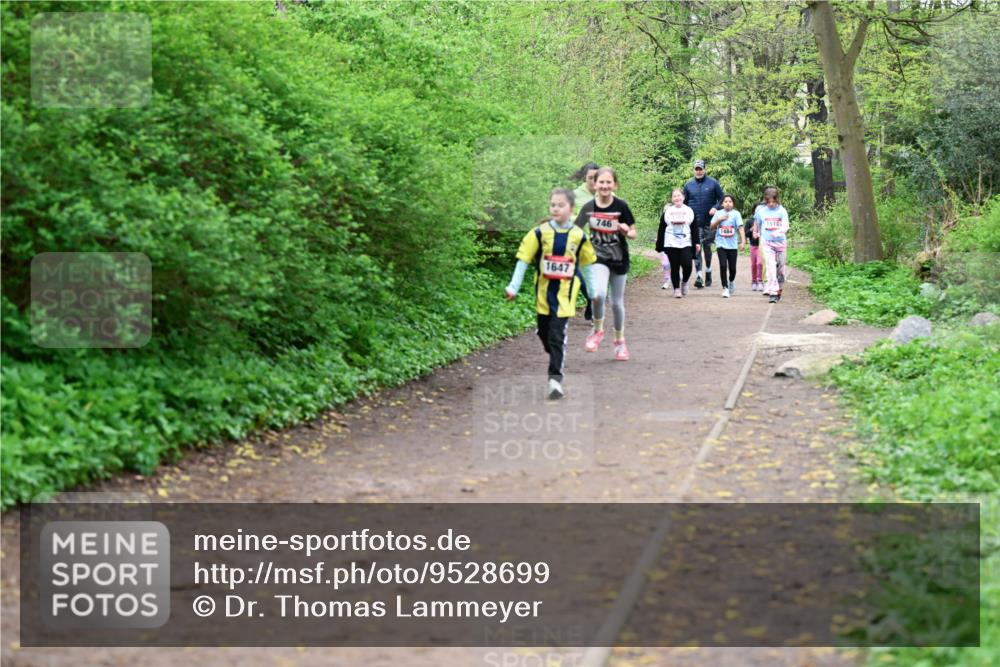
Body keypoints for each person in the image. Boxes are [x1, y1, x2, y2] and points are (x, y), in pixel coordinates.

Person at [506, 188, 597, 399]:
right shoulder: (539, 233)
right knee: (544, 333)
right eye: (553, 205)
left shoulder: (578, 236)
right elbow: (523, 260)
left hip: (565, 298)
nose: (556, 208)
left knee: (557, 337)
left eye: (561, 205)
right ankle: (550, 343)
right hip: (543, 296)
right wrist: (513, 286)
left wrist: (593, 292)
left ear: (571, 209)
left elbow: (588, 265)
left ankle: (555, 380)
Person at [574, 167, 637, 361]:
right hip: (597, 257)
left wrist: (626, 231)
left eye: (609, 182)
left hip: (619, 258)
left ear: (615, 185)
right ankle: (598, 330)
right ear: (595, 184)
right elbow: (576, 230)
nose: (604, 185)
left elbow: (634, 233)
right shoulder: (588, 207)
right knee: (598, 294)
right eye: (601, 182)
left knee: (617, 303)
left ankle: (619, 342)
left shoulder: (621, 206)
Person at [682, 159, 724, 289]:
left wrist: (716, 207)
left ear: (705, 169)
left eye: (701, 169)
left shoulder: (713, 183)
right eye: (696, 169)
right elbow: (684, 204)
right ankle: (699, 275)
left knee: (707, 247)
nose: (698, 171)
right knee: (696, 247)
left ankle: (709, 271)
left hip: (710, 223)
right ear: (693, 170)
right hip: (694, 223)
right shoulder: (688, 186)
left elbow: (722, 199)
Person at [655, 187, 700, 298]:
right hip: (671, 242)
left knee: (687, 264)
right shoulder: (668, 212)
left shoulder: (689, 211)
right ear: (672, 198)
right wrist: (660, 244)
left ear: (683, 197)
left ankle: (684, 282)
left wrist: (697, 242)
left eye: (679, 195)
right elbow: (661, 229)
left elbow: (694, 228)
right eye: (674, 196)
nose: (677, 198)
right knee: (674, 266)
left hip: (686, 242)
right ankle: (676, 289)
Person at [753, 186, 790, 304]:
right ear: (765, 200)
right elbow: (757, 223)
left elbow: (786, 226)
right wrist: (755, 232)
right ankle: (773, 293)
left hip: (780, 243)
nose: (771, 204)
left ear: (777, 199)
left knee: (780, 269)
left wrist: (778, 232)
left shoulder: (782, 210)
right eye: (769, 201)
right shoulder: (761, 211)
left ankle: (779, 288)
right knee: (770, 266)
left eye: (773, 201)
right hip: (767, 243)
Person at [708, 194, 746, 298]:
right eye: (725, 201)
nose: (728, 203)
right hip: (721, 244)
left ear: (733, 204)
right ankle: (725, 288)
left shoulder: (736, 214)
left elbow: (740, 228)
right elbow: (711, 227)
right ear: (722, 203)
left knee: (732, 269)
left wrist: (743, 242)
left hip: (733, 245)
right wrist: (719, 220)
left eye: (730, 201)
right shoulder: (718, 213)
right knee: (723, 266)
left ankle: (731, 281)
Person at [745, 196, 765, 291]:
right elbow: (746, 234)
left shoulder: (765, 220)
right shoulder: (750, 221)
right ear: (754, 211)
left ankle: (760, 280)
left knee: (760, 263)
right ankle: (753, 281)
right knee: (753, 264)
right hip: (753, 246)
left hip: (762, 246)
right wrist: (751, 229)